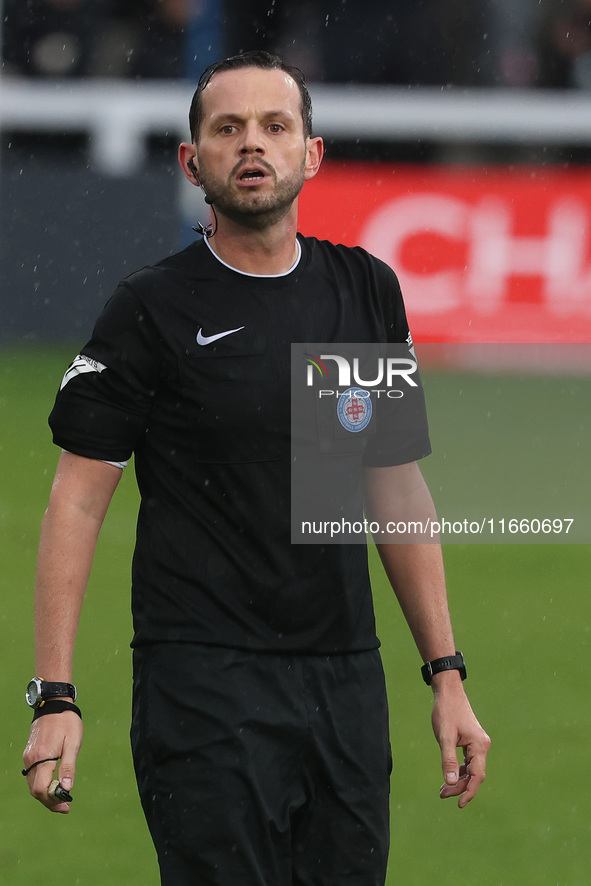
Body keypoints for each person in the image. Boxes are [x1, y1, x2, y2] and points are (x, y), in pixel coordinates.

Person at [22, 50, 490, 886]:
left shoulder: (361, 290)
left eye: (275, 126)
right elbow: (78, 502)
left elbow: (392, 488)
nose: (252, 144)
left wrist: (446, 673)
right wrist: (54, 695)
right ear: (191, 161)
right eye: (226, 127)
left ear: (310, 154)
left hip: (343, 679)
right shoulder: (152, 308)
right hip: (201, 681)